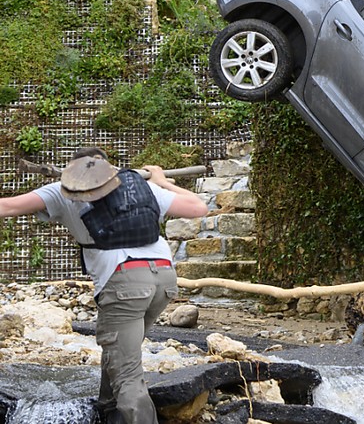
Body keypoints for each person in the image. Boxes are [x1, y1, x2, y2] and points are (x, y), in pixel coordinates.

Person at [0, 147, 208, 424]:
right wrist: (162, 181)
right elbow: (199, 207)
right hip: (164, 279)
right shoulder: (139, 186)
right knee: (120, 353)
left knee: (128, 376)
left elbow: (6, 206)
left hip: (125, 283)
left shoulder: (61, 189)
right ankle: (110, 414)